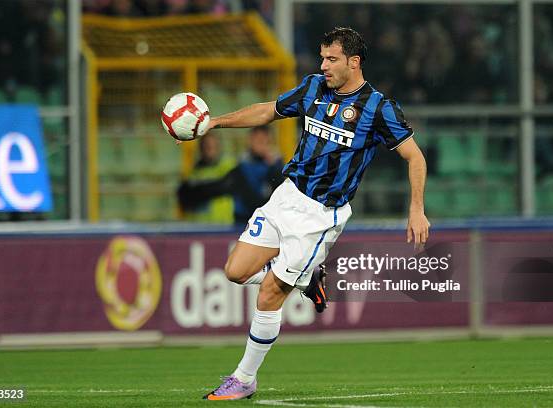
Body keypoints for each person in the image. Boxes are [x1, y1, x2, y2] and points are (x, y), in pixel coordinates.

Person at [182, 27, 430, 400]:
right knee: (234, 272)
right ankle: (305, 279)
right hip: (287, 197)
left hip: (320, 216)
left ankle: (244, 378)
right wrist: (214, 122)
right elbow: (268, 110)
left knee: (268, 295)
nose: (323, 65)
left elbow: (415, 157)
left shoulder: (379, 108)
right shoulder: (313, 87)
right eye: (322, 58)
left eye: (331, 59)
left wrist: (416, 209)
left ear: (354, 62)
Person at [177, 132, 235, 223]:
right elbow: (183, 195)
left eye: (212, 145)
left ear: (219, 147)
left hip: (222, 226)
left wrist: (199, 189)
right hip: (198, 226)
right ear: (201, 148)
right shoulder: (194, 171)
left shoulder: (227, 166)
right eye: (206, 145)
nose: (209, 148)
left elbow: (225, 186)